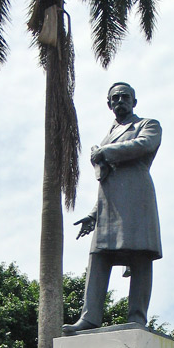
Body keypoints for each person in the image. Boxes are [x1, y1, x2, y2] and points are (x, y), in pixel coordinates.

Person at [62, 83, 162, 334]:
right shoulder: (109, 133)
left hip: (137, 196)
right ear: (109, 104)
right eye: (115, 98)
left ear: (134, 102)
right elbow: (106, 180)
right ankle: (89, 317)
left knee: (140, 256)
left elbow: (143, 145)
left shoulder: (148, 125)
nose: (120, 101)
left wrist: (104, 152)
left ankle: (137, 317)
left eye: (125, 97)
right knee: (98, 257)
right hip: (109, 204)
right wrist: (94, 214)